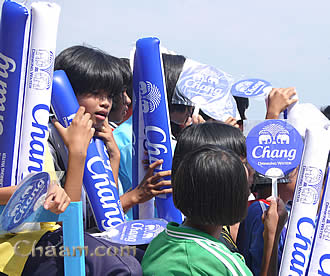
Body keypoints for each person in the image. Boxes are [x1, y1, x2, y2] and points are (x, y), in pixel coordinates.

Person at [1, 107, 142, 276]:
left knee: (141, 255)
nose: (104, 103)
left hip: (54, 238)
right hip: (15, 253)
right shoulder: (47, 139)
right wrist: (30, 193)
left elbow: (70, 218)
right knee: (119, 267)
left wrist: (113, 157)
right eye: (95, 93)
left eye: (108, 95)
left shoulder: (38, 136)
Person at [142, 145, 285, 275]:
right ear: (232, 201)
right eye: (245, 189)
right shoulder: (221, 264)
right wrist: (271, 236)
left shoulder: (158, 242)